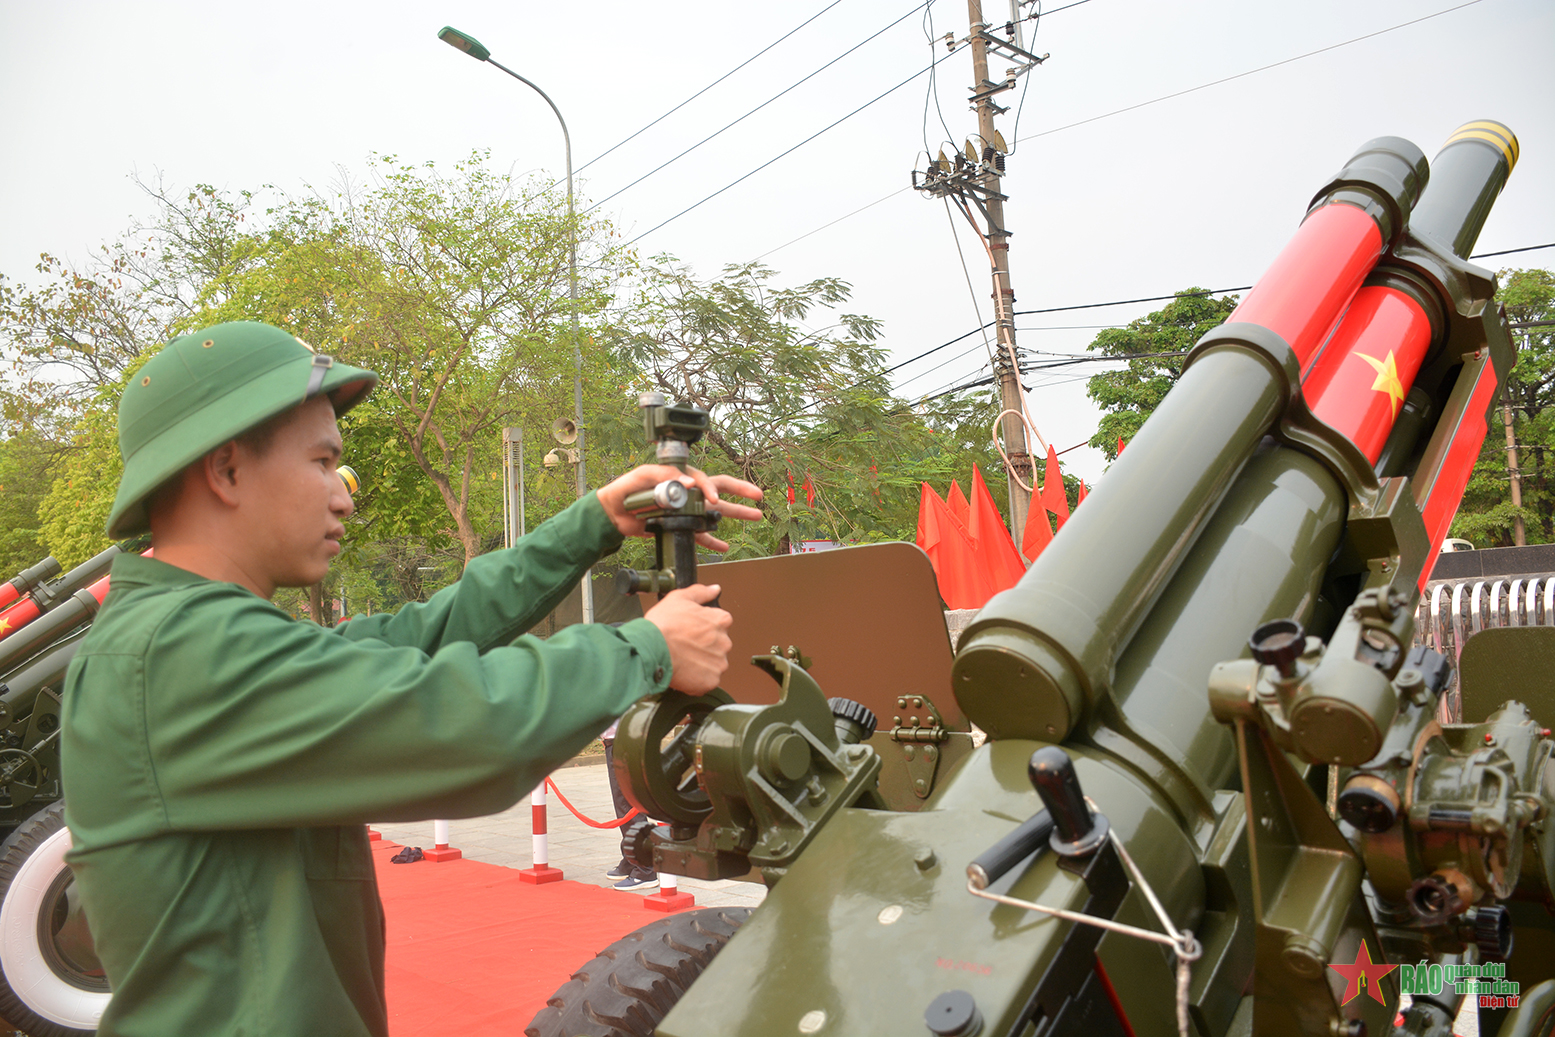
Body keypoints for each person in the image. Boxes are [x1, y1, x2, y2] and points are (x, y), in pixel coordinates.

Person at [60, 320, 762, 1037]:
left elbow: (418, 637)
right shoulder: (178, 653)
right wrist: (644, 646)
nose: (343, 496)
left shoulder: (197, 637)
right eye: (322, 461)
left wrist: (597, 519)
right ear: (227, 469)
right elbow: (460, 723)